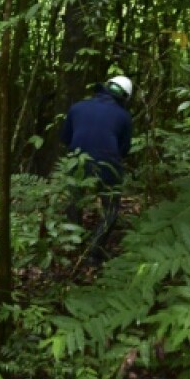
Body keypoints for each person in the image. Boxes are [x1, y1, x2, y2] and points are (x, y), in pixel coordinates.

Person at [61, 75, 133, 266]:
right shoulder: (124, 116)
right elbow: (124, 150)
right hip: (108, 165)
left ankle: (73, 246)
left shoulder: (77, 107)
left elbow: (65, 139)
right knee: (111, 208)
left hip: (77, 161)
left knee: (74, 200)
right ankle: (92, 251)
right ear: (124, 97)